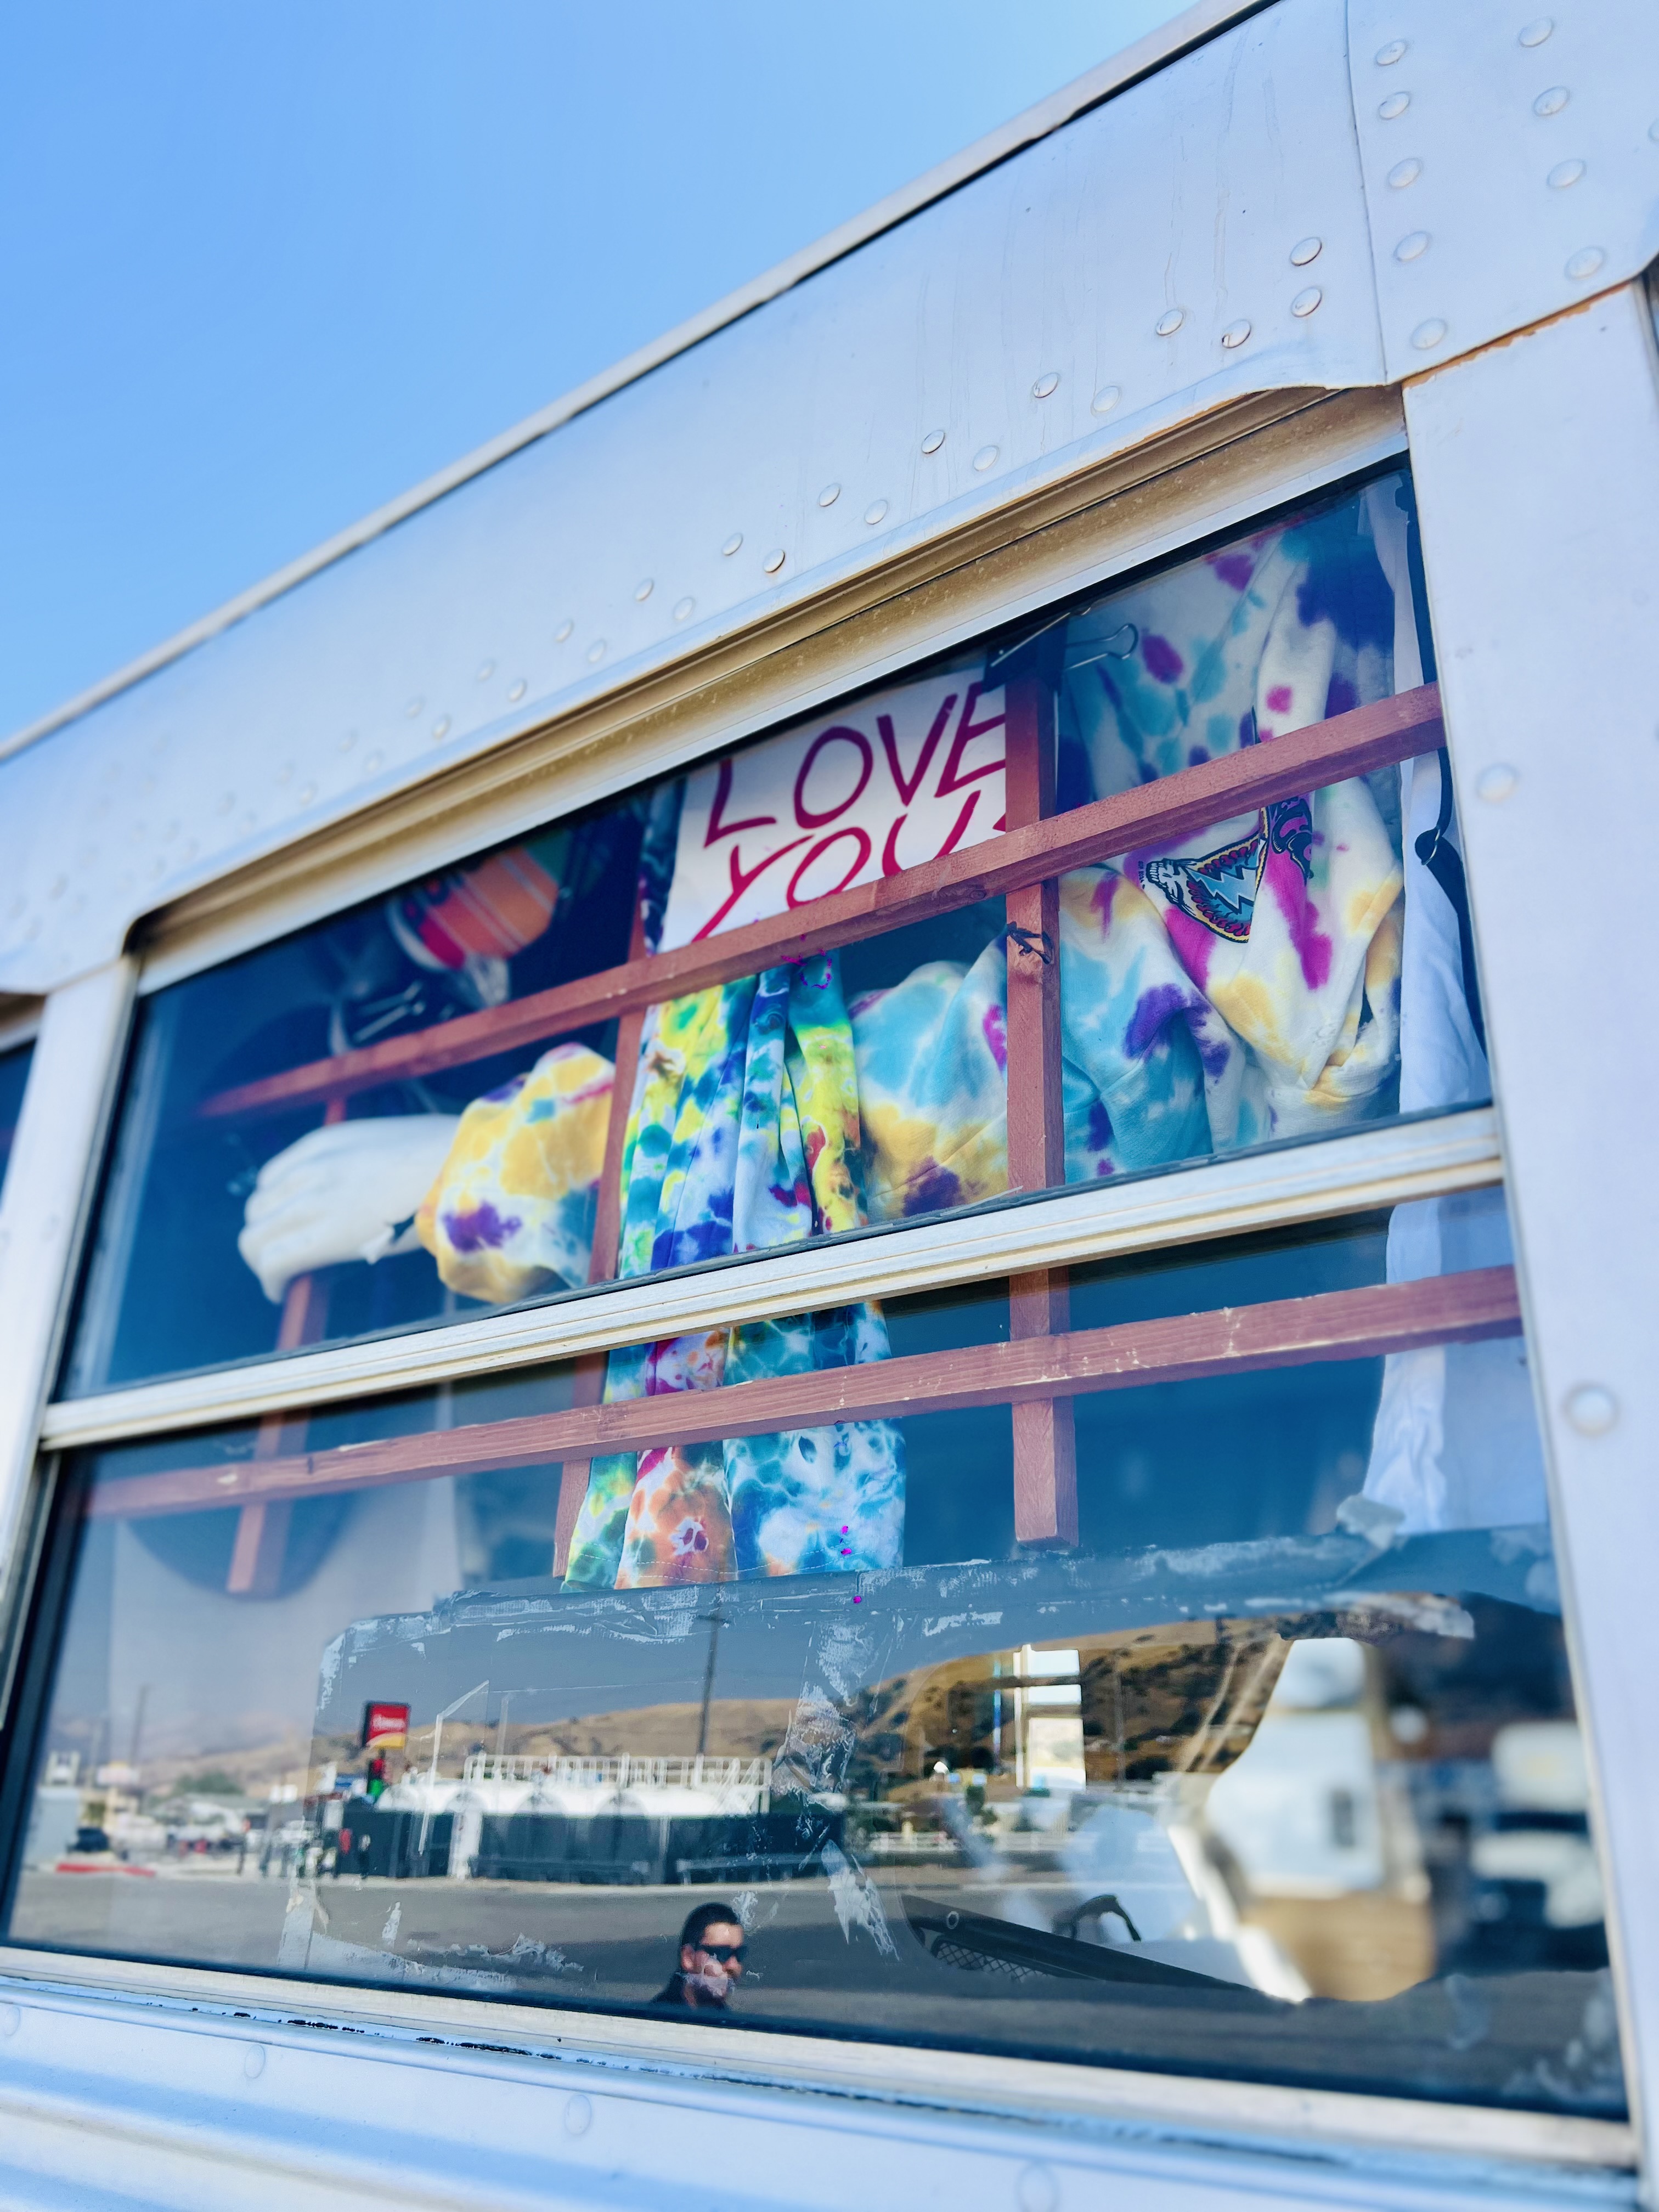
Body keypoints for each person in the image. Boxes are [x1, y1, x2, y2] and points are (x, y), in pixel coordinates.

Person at [651, 1902, 748, 2011]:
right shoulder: (656, 2021)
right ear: (688, 1958)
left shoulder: (730, 2022)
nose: (733, 1965)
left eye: (740, 1953)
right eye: (721, 1953)